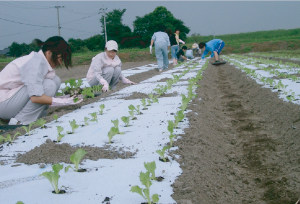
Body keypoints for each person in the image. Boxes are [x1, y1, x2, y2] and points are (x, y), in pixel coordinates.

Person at [0, 36, 83, 125]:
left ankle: (37, 115)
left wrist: (64, 98)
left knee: (55, 80)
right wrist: (65, 102)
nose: (60, 63)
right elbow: (36, 97)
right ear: (49, 53)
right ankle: (19, 121)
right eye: (59, 58)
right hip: (4, 105)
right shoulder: (34, 63)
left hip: (11, 100)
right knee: (49, 85)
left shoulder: (40, 61)